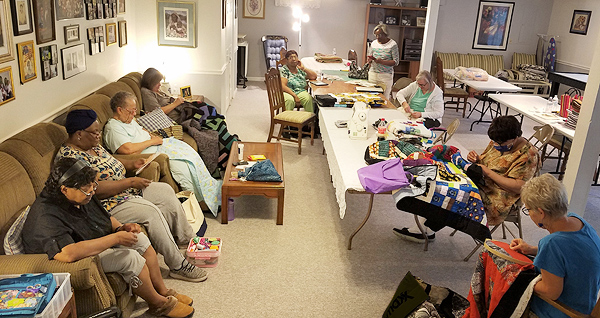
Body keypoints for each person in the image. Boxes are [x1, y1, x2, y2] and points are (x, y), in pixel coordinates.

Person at [22, 158, 195, 318]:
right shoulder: (46, 215)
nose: (91, 191)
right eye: (86, 188)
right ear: (65, 189)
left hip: (90, 242)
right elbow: (68, 254)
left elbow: (104, 217)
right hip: (76, 258)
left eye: (93, 185)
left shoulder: (82, 196)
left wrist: (121, 228)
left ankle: (162, 291)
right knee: (130, 258)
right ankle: (158, 304)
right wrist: (116, 238)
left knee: (139, 239)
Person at [56, 109, 207, 282]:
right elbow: (93, 190)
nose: (99, 135)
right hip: (107, 203)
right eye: (95, 132)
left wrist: (131, 163)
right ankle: (178, 265)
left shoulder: (92, 145)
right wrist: (129, 182)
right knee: (150, 212)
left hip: (124, 190)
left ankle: (188, 240)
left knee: (164, 190)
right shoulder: (70, 158)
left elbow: (110, 160)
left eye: (99, 131)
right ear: (79, 134)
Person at [394, 116, 540, 242]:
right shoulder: (500, 139)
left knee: (458, 196)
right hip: (481, 181)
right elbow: (485, 159)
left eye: (500, 144)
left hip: (499, 197)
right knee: (441, 180)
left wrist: (488, 172)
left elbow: (519, 187)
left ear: (515, 138)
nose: (496, 146)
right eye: (494, 142)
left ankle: (425, 229)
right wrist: (476, 159)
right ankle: (426, 227)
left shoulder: (528, 155)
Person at [104, 91, 222, 216]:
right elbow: (127, 150)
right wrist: (152, 141)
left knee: (190, 155)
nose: (134, 114)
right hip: (150, 152)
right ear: (119, 110)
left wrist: (152, 137)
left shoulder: (128, 120)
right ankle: (200, 201)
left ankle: (210, 190)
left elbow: (140, 129)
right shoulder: (113, 128)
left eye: (135, 110)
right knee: (183, 167)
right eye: (131, 111)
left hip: (156, 145)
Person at [510, 174, 600, 318]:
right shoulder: (579, 221)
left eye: (528, 210)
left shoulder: (551, 243)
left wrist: (519, 278)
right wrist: (532, 250)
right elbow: (569, 256)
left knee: (504, 287)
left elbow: (550, 292)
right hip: (584, 304)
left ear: (540, 212)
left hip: (563, 312)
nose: (530, 215)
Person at [140, 67, 238, 173]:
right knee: (214, 123)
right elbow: (157, 112)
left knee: (212, 113)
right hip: (181, 117)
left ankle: (230, 147)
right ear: (150, 82)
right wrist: (175, 103)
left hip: (183, 110)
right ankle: (230, 148)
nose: (159, 85)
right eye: (157, 83)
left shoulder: (157, 90)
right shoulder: (146, 92)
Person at [367, 22, 400, 99]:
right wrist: (369, 60)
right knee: (371, 97)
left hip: (385, 76)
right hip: (373, 74)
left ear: (386, 34)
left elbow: (396, 62)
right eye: (376, 35)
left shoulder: (392, 44)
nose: (377, 37)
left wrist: (382, 62)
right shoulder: (374, 43)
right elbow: (370, 55)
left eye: (380, 35)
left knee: (384, 98)